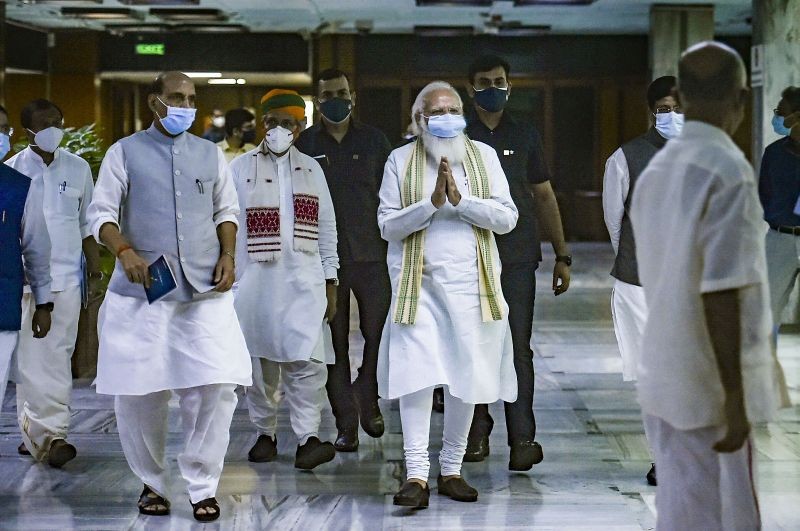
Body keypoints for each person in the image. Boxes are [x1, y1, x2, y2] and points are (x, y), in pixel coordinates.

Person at [630, 41, 784, 530]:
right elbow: (721, 290)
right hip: (708, 381)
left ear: (680, 93)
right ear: (740, 98)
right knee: (727, 514)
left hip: (663, 367)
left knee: (681, 509)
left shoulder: (658, 169)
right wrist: (735, 396)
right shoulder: (727, 170)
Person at [87, 71, 251, 522]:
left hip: (205, 290)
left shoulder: (209, 153)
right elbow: (100, 212)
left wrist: (229, 255)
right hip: (144, 292)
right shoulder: (125, 152)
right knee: (140, 391)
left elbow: (227, 209)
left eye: (191, 98)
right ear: (154, 102)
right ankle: (152, 483)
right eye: (176, 97)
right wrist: (123, 250)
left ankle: (203, 486)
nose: (185, 105)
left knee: (215, 388)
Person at [378, 81, 518, 508]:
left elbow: (507, 218)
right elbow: (387, 226)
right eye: (436, 111)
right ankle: (416, 475)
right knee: (416, 378)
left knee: (466, 378)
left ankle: (451, 470)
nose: (447, 116)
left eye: (453, 108)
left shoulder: (484, 157)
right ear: (419, 120)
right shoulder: (400, 159)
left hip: (473, 290)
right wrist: (431, 204)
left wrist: (461, 200)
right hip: (416, 290)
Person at [462, 55, 571, 470]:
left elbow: (543, 194)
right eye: (485, 81)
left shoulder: (524, 133)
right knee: (472, 345)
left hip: (518, 255)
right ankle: (476, 430)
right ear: (470, 89)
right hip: (468, 258)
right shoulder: (459, 135)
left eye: (500, 81)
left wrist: (563, 254)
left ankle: (522, 438)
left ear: (510, 86)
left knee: (516, 347)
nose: (494, 87)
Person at [231, 89, 338, 470]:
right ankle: (265, 433)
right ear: (263, 124)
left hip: (304, 282)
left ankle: (308, 438)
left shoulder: (312, 168)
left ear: (300, 126)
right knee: (260, 366)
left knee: (307, 363)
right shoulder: (239, 168)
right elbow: (226, 226)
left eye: (287, 123)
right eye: (272, 122)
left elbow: (327, 227)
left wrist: (331, 278)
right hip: (254, 282)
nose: (278, 129)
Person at [295, 68, 393, 452]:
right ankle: (346, 423)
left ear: (353, 96)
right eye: (328, 95)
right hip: (324, 261)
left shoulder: (374, 141)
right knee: (332, 344)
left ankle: (367, 392)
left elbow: (392, 194)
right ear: (317, 101)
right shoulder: (304, 145)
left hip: (373, 254)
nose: (336, 100)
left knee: (379, 334)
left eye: (342, 93)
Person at [6, 99, 100, 468]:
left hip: (68, 280)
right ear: (27, 130)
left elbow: (86, 226)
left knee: (57, 358)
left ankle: (45, 433)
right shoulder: (13, 172)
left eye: (58, 122)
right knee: (29, 363)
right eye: (45, 123)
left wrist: (94, 274)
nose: (54, 129)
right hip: (26, 283)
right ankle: (47, 437)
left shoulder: (77, 168)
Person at [602, 76, 682, 486]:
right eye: (664, 108)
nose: (672, 116)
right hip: (639, 285)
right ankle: (661, 458)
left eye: (680, 107)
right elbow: (615, 221)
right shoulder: (626, 157)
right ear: (651, 111)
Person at [0, 103, 53, 427]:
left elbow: (36, 247)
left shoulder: (19, 186)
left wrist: (43, 302)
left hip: (3, 306)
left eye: (3, 130)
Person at [759, 88, 800, 355]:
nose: (777, 118)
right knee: (766, 310)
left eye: (781, 113)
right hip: (779, 238)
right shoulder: (774, 153)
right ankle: (766, 377)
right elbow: (765, 192)